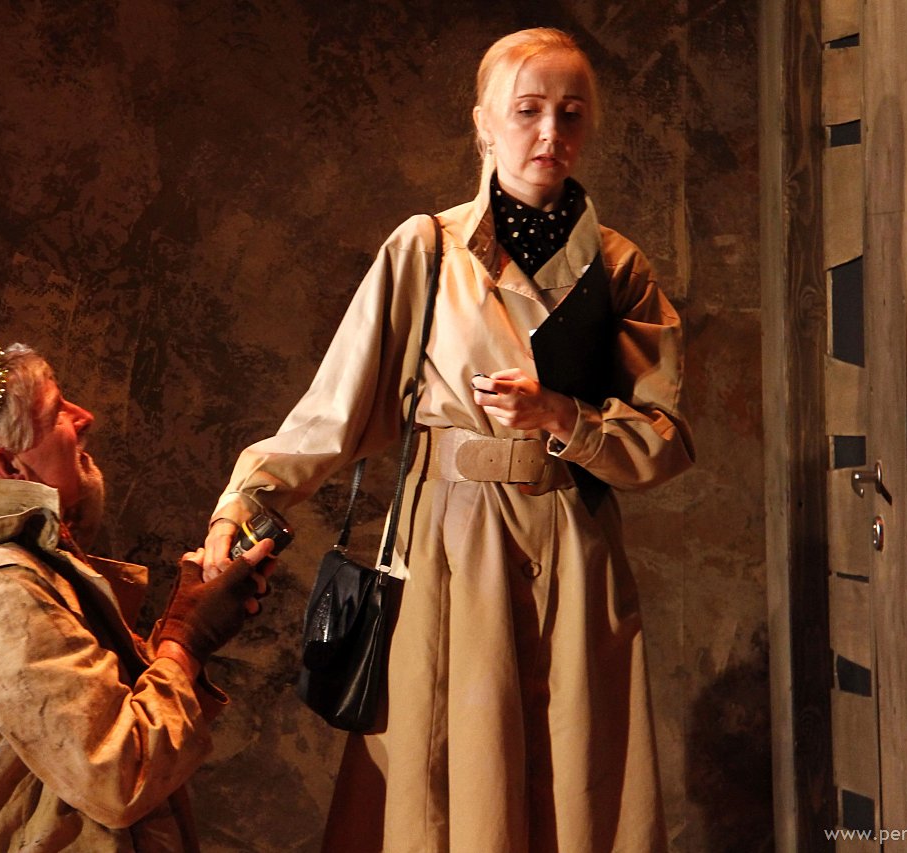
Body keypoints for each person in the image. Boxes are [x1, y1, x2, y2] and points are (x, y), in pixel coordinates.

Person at [202, 28, 695, 852]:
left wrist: (563, 418)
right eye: (528, 110)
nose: (550, 132)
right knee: (455, 782)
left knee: (577, 780)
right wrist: (244, 501)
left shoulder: (618, 268)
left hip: (576, 553)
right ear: (483, 123)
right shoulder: (427, 250)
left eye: (570, 113)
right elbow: (333, 410)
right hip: (453, 549)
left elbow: (663, 438)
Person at [0, 323, 273, 852]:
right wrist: (185, 641)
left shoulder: (12, 564)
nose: (85, 418)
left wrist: (187, 623)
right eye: (58, 412)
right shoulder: (1, 590)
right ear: (10, 467)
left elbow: (90, 719)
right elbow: (118, 776)